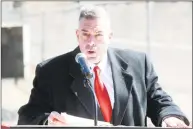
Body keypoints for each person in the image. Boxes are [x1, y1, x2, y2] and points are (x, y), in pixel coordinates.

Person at [17, 5, 190, 127]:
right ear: (77, 35)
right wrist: (47, 121)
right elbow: (27, 116)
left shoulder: (138, 64)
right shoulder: (51, 71)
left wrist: (169, 116)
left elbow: (159, 100)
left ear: (110, 36)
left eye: (98, 35)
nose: (91, 42)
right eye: (85, 35)